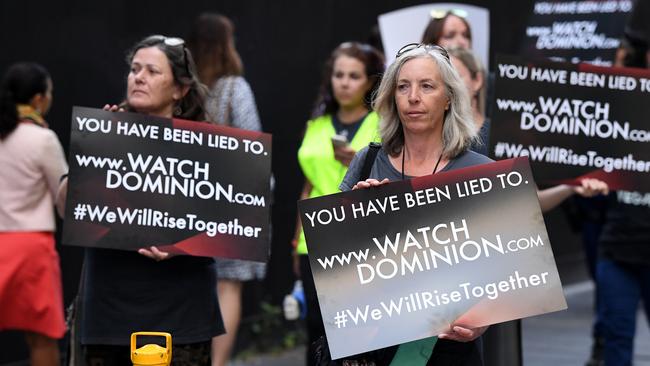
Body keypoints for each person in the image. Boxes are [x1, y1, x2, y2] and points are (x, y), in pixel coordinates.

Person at [340, 42, 608, 365]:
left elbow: (513, 269)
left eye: (427, 86)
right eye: (403, 87)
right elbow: (337, 267)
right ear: (391, 97)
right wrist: (356, 215)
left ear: (449, 97)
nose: (413, 97)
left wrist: (484, 320)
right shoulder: (367, 163)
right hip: (377, 347)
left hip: (451, 352)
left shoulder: (481, 171)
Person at [75, 35, 224, 365]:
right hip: (109, 316)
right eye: (134, 69)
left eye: (152, 71)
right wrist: (93, 156)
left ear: (179, 89)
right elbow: (66, 206)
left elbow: (235, 228)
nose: (138, 77)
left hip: (180, 315)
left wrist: (185, 245)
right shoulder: (102, 136)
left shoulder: (211, 150)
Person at [292, 41, 384, 365]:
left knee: (351, 330)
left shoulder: (381, 125)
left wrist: (356, 163)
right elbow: (308, 183)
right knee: (315, 327)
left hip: (360, 236)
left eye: (354, 76)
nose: (344, 82)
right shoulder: (316, 124)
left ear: (370, 82)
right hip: (313, 237)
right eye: (339, 75)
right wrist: (296, 240)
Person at [187, 13, 265, 366]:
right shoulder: (235, 87)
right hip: (232, 201)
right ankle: (217, 363)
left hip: (188, 200)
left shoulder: (183, 88)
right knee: (229, 286)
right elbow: (252, 143)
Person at [0, 62, 67, 366]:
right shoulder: (43, 139)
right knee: (41, 336)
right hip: (30, 249)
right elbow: (64, 198)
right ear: (39, 99)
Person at [448, 47, 488, 155]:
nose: (449, 85)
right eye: (442, 79)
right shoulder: (432, 140)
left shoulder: (502, 135)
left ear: (477, 81)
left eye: (455, 76)